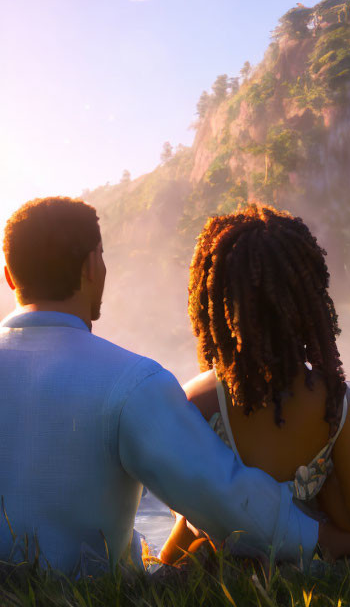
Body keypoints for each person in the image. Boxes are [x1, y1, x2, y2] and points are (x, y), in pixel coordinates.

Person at [0, 197, 329, 576]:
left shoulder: (130, 382)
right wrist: (315, 537)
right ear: (93, 264)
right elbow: (222, 496)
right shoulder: (131, 381)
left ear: (9, 276)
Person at [160, 205, 350, 564]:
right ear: (308, 302)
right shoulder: (334, 403)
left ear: (215, 304)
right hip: (310, 555)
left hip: (217, 556)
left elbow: (176, 495)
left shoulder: (199, 401)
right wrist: (325, 481)